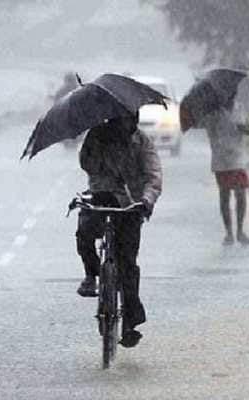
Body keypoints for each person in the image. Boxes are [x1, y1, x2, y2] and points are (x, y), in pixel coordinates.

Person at [76, 112, 162, 348]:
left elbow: (153, 176)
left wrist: (146, 200)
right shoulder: (97, 135)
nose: (124, 124)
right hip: (101, 198)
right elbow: (85, 163)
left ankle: (130, 323)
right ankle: (91, 275)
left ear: (134, 120)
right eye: (119, 120)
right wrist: (99, 150)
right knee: (84, 233)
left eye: (128, 119)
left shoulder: (142, 142)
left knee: (128, 265)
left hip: (132, 206)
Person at [199, 97, 249, 246]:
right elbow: (205, 127)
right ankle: (228, 232)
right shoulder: (212, 112)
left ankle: (240, 231)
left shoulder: (239, 108)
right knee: (225, 195)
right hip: (221, 159)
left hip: (237, 158)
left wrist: (243, 127)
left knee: (241, 194)